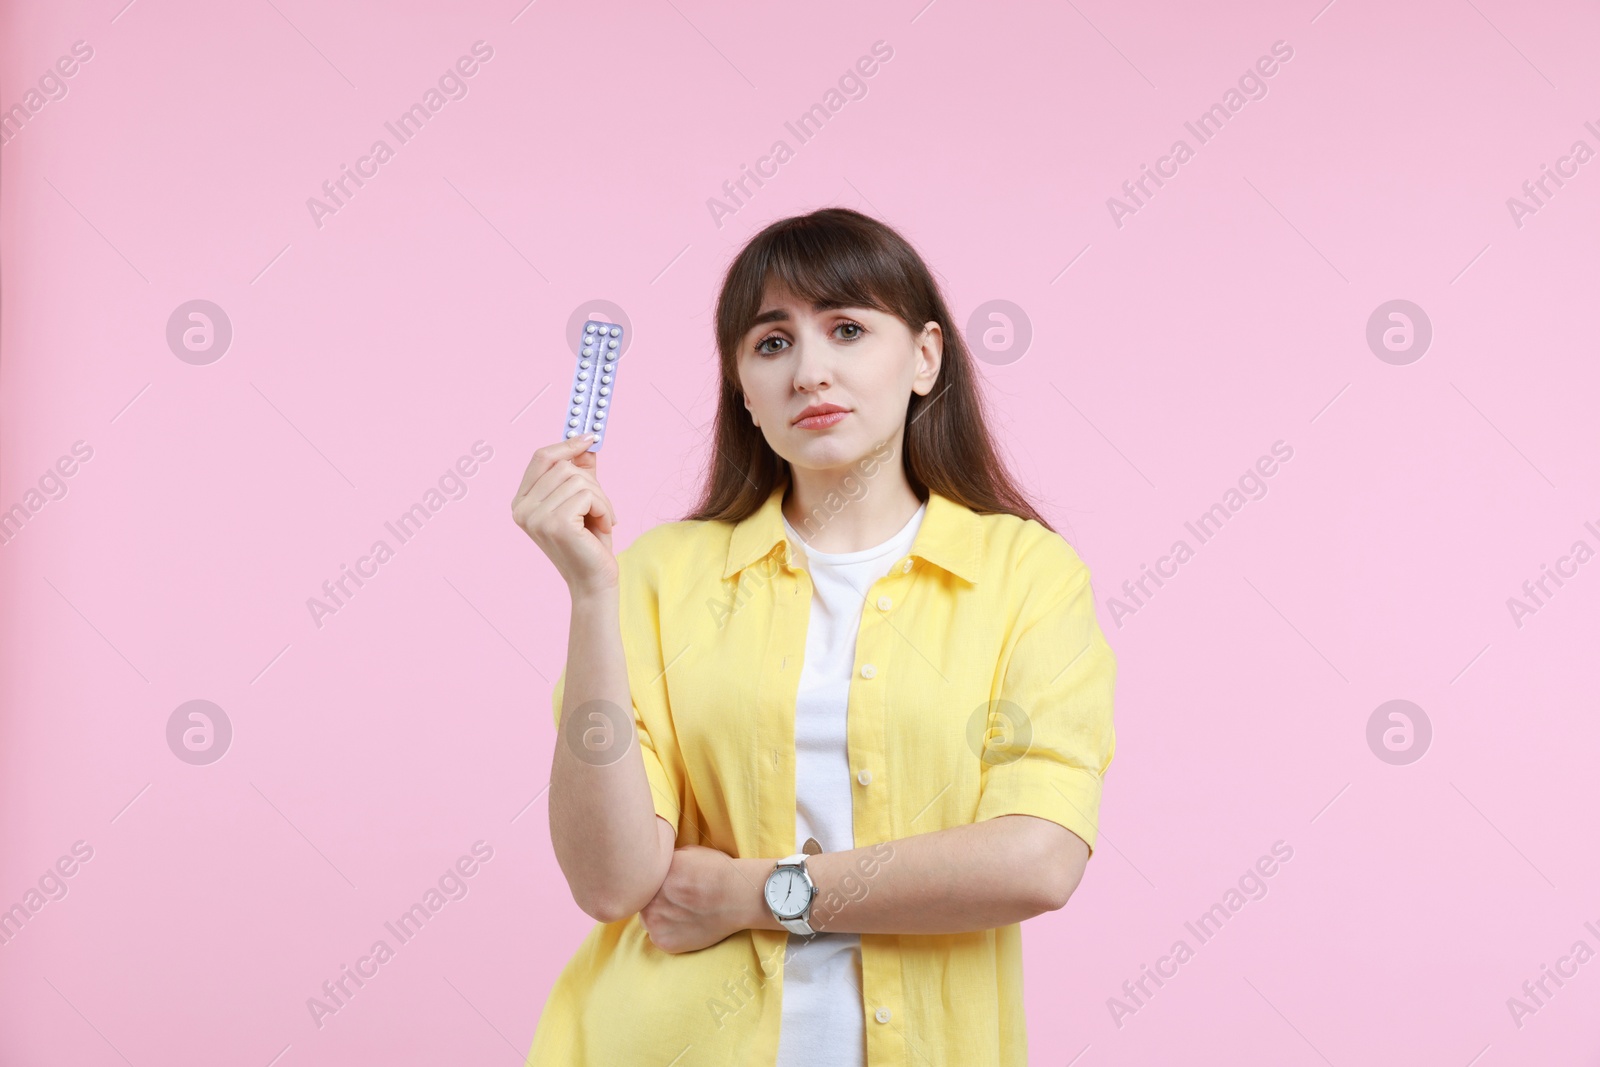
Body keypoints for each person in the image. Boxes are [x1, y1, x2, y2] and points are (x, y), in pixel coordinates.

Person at [512, 207, 1117, 1066]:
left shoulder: (1027, 576)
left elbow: (1036, 858)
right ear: (743, 392)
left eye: (846, 328)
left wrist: (756, 893)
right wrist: (590, 592)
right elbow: (611, 880)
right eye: (772, 343)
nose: (810, 370)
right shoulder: (658, 576)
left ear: (924, 358)